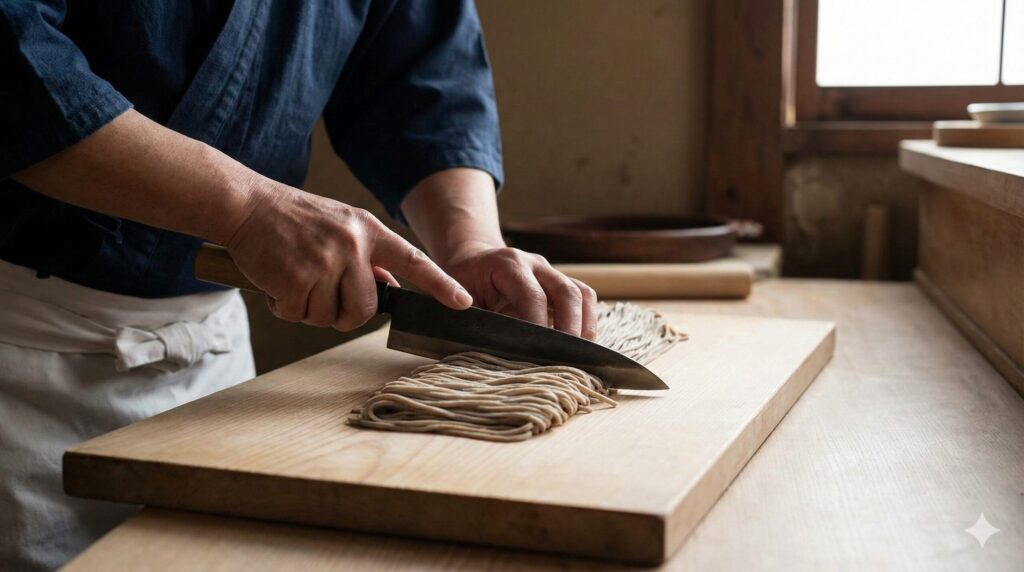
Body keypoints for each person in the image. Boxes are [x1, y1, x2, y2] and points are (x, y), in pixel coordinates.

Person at [0, 1, 597, 569]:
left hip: (216, 382)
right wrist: (246, 207)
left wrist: (469, 245)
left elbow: (424, 76)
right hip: (18, 367)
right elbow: (15, 57)